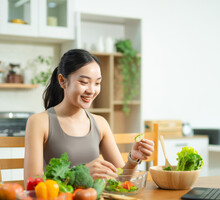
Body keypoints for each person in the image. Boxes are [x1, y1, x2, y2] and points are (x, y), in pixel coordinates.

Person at [24, 49, 154, 181]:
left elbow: (121, 179)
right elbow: (31, 183)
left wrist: (133, 159)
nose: (91, 90)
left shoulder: (100, 123)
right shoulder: (39, 122)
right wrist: (80, 174)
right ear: (62, 81)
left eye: (97, 83)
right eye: (84, 82)